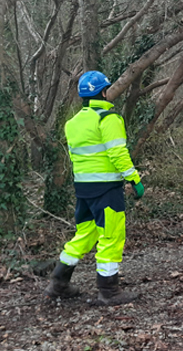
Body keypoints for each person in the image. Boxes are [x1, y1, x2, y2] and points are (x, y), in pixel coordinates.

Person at [44, 71, 145, 305]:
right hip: (107, 189)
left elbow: (74, 156)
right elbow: (118, 152)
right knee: (111, 236)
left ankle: (58, 283)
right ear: (103, 91)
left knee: (85, 234)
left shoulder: (72, 123)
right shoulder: (108, 119)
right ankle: (109, 291)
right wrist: (134, 179)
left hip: (83, 189)